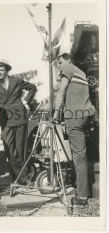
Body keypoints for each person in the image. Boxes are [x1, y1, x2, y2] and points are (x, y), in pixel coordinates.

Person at [0, 60, 37, 186]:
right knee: (9, 148)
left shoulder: (17, 81)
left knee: (21, 149)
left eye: (2, 70)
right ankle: (22, 177)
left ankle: (18, 177)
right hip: (6, 121)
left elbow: (32, 88)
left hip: (20, 117)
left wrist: (25, 101)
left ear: (7, 71)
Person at [53, 53, 95, 207]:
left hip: (74, 117)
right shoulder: (82, 73)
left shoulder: (69, 69)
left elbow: (61, 92)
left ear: (68, 61)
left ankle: (82, 197)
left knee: (78, 157)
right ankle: (80, 188)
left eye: (60, 62)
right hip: (85, 116)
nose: (59, 66)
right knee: (80, 154)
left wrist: (56, 113)